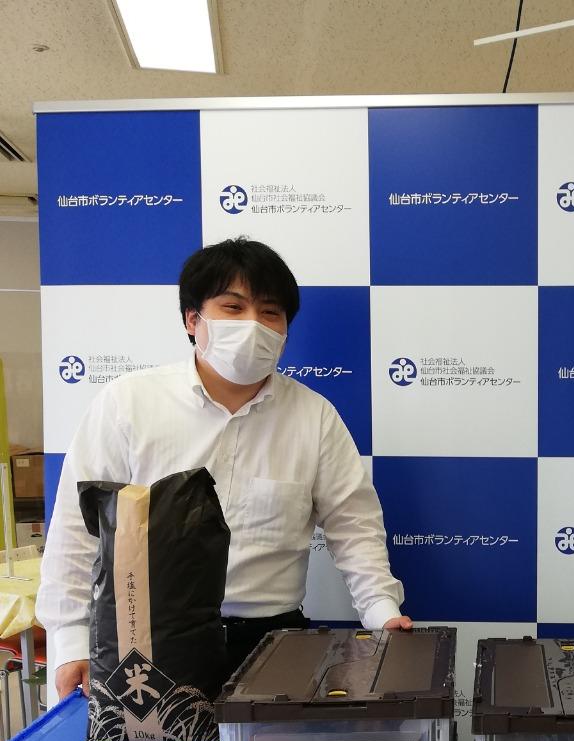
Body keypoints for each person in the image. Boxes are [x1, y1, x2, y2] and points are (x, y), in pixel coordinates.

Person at [39, 236, 410, 699]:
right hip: (148, 640)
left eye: (270, 312)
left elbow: (354, 524)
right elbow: (78, 529)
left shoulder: (314, 416)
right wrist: (70, 639)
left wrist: (381, 610)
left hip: (274, 643)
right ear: (192, 319)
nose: (253, 325)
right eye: (233, 307)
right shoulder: (128, 404)